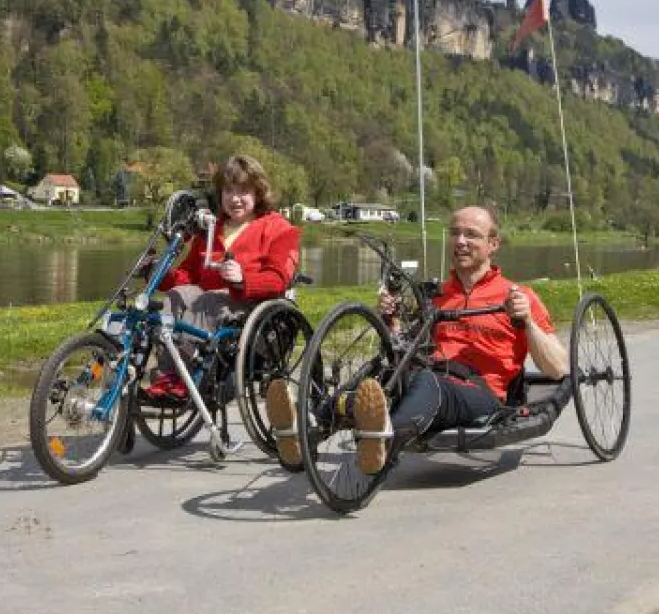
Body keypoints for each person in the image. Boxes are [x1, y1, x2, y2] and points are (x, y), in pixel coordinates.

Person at [267, 205, 569, 473]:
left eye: (471, 235)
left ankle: (384, 442)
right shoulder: (435, 297)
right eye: (455, 233)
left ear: (493, 244)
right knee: (380, 374)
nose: (460, 241)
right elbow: (404, 349)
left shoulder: (517, 295)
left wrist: (527, 320)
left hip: (480, 392)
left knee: (427, 381)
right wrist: (393, 319)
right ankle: (307, 430)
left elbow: (558, 368)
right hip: (425, 376)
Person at [144, 154, 301, 400]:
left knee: (208, 301)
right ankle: (167, 375)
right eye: (229, 191)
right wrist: (159, 274)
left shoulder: (279, 228)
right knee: (176, 296)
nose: (235, 199)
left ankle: (184, 374)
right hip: (212, 309)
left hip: (252, 309)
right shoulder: (212, 229)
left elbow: (279, 279)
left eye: (243, 191)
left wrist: (243, 279)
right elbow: (189, 277)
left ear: (258, 193)